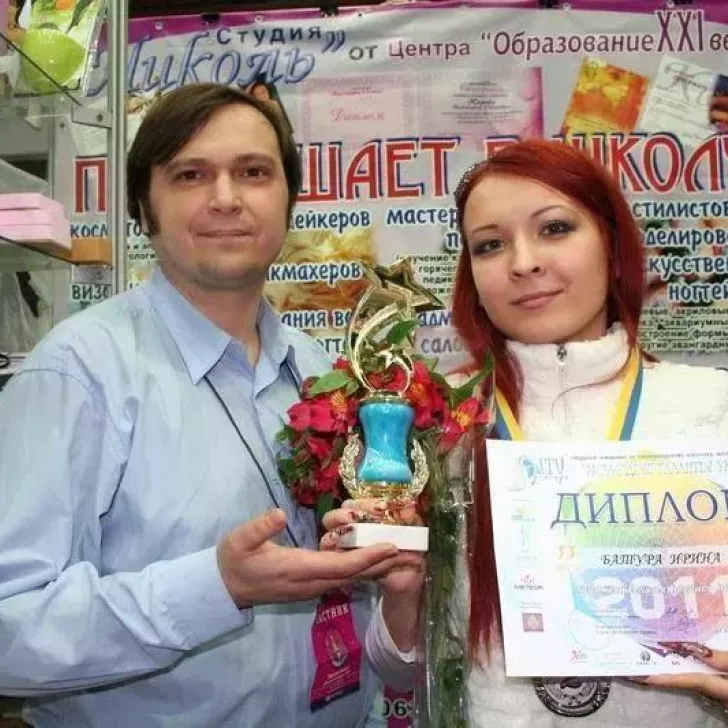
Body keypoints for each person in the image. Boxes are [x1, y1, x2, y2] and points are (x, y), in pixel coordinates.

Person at [0, 83, 408, 727]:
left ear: (289, 200)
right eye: (190, 175)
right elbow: (9, 628)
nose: (226, 198)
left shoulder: (325, 373)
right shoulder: (79, 372)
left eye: (254, 172)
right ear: (144, 208)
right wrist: (216, 587)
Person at [324, 139, 728, 726]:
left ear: (613, 248)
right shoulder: (441, 426)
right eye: (490, 244)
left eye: (555, 229)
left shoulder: (713, 409)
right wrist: (405, 590)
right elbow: (399, 672)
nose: (523, 263)